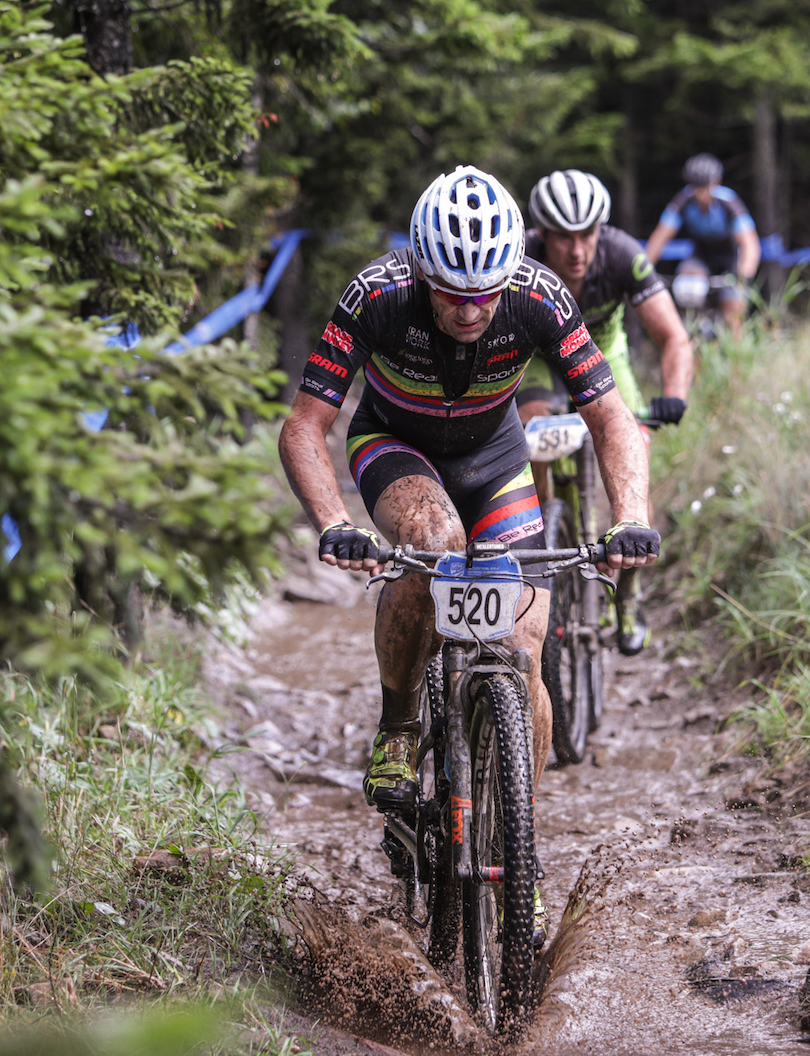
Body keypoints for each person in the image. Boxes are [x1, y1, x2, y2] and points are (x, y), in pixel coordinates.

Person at [277, 166, 661, 940]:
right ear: (421, 269)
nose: (471, 308)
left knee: (525, 652)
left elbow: (614, 420)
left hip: (495, 459)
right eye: (453, 291)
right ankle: (397, 726)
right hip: (396, 446)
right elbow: (304, 426)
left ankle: (519, 849)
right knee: (436, 545)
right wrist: (330, 522)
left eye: (485, 292)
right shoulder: (375, 296)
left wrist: (631, 517)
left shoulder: (539, 294)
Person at [519, 169, 695, 655]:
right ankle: (541, 541)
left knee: (634, 444)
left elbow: (674, 336)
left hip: (603, 354)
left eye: (587, 235)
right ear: (541, 234)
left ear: (602, 230)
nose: (577, 250)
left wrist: (673, 394)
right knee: (532, 433)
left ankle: (629, 598)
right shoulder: (520, 259)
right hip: (538, 359)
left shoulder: (622, 255)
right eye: (563, 238)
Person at [644, 153, 761, 336]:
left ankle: (736, 355)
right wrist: (644, 269)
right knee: (686, 288)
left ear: (715, 183)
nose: (700, 193)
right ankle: (694, 339)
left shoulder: (729, 202)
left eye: (704, 187)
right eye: (695, 187)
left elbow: (749, 244)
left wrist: (744, 274)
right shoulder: (683, 201)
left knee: (733, 310)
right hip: (701, 255)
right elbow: (660, 237)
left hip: (729, 257)